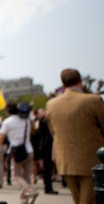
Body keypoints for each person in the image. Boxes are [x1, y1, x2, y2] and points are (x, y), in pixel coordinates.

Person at [46, 68, 104, 204]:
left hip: (65, 161)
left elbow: (53, 132)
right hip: (92, 160)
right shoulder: (93, 100)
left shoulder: (52, 104)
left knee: (78, 200)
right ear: (80, 81)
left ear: (63, 84)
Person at [0, 103, 38, 204]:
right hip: (29, 150)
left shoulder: (8, 122)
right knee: (26, 176)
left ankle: (30, 191)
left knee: (16, 176)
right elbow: (30, 134)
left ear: (8, 112)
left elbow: (1, 138)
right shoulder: (26, 120)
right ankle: (24, 200)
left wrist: (0, 145)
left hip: (16, 152)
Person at [34, 107, 57, 194]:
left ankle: (48, 186)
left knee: (49, 167)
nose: (43, 113)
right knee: (47, 168)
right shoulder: (42, 121)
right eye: (40, 112)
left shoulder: (43, 121)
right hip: (46, 147)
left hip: (47, 146)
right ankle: (48, 187)